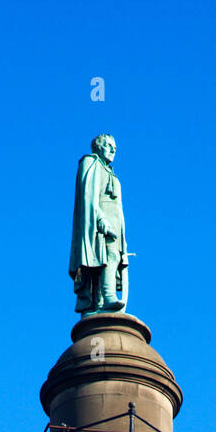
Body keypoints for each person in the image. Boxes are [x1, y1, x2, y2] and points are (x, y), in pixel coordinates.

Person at [69, 134, 129, 315]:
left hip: (116, 222)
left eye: (115, 148)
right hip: (98, 221)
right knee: (105, 257)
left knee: (112, 258)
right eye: (109, 145)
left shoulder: (111, 173)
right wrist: (100, 220)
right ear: (97, 146)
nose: (113, 150)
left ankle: (101, 303)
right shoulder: (90, 162)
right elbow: (88, 196)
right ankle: (107, 297)